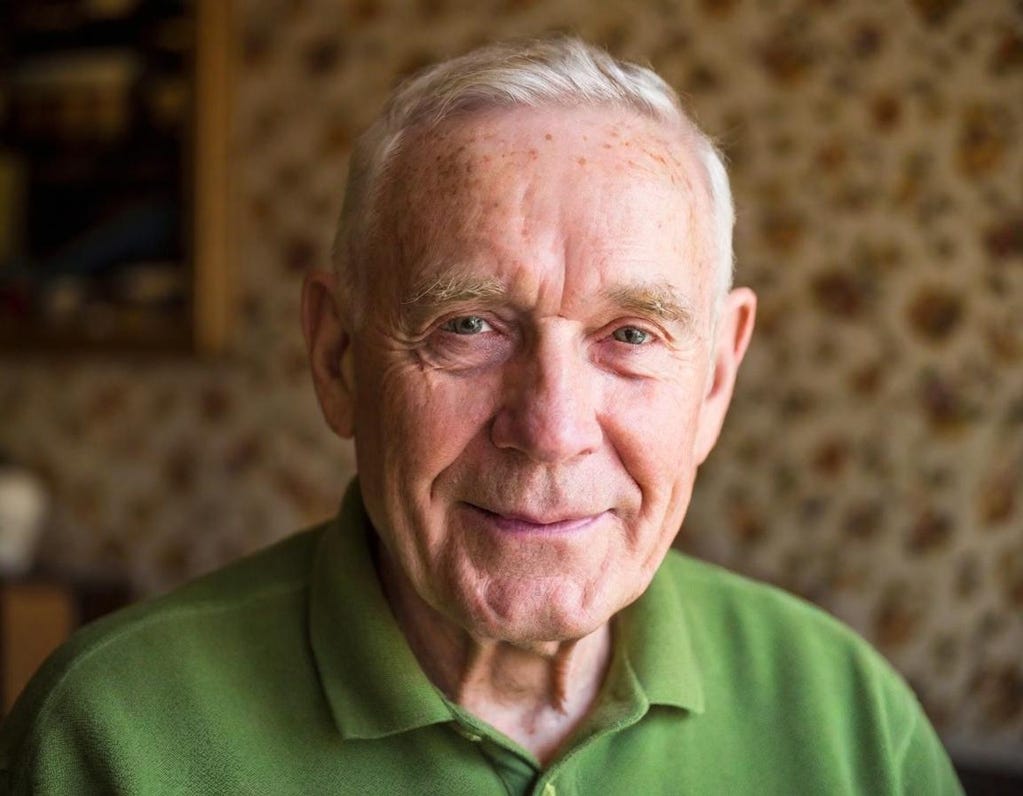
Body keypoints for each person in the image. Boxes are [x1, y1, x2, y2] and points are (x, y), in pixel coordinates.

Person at [1, 37, 963, 794]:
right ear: (337, 357)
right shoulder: (112, 732)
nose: (550, 427)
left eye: (630, 336)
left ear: (715, 379)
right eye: (467, 325)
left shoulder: (849, 719)